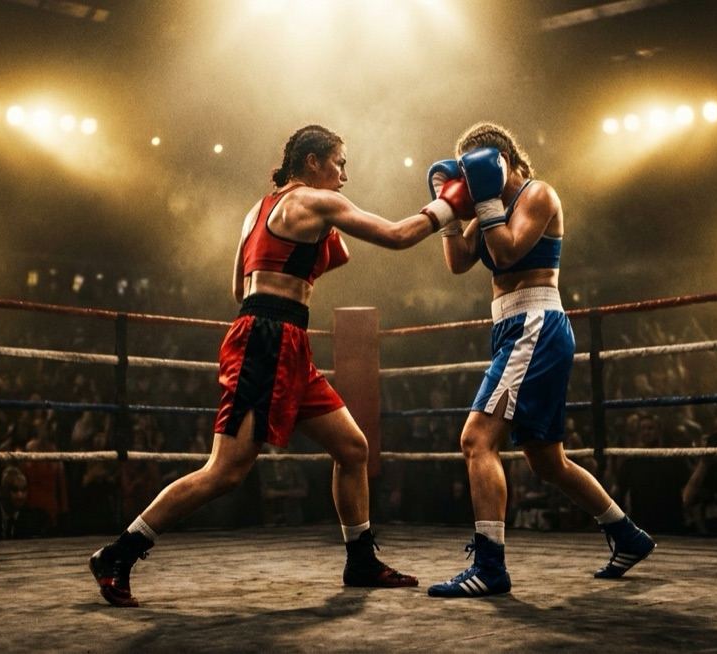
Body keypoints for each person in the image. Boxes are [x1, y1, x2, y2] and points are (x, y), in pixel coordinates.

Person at [89, 124, 473, 607]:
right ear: (313, 162)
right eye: (339, 163)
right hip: (266, 341)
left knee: (352, 448)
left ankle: (360, 559)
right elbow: (397, 236)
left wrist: (304, 262)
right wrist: (449, 204)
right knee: (225, 471)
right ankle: (118, 553)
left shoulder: (258, 210)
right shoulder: (317, 201)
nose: (345, 176)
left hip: (281, 339)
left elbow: (239, 288)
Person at [428, 122, 655, 598]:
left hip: (534, 323)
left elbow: (509, 249)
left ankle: (490, 566)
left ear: (503, 161)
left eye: (476, 169)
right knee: (547, 461)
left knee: (476, 440)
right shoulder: (488, 203)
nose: (472, 181)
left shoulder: (538, 195)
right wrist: (449, 213)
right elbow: (458, 261)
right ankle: (627, 534)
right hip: (513, 327)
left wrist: (484, 202)